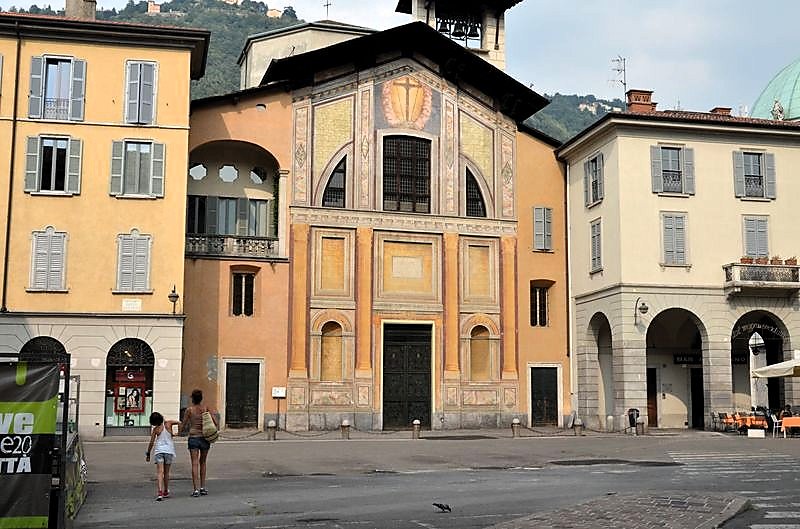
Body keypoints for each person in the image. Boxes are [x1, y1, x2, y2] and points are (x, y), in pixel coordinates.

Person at [180, 389, 218, 497]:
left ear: (192, 398)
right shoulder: (206, 408)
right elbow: (215, 421)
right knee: (203, 462)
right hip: (205, 438)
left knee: (194, 463)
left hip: (193, 437)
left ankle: (195, 489)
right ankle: (202, 487)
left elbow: (184, 424)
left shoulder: (189, 410)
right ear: (201, 398)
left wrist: (177, 432)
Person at [145, 412, 178, 501]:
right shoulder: (168, 423)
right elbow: (180, 422)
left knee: (160, 472)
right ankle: (166, 491)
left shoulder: (156, 430)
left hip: (159, 451)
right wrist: (177, 433)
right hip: (169, 451)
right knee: (166, 473)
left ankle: (160, 492)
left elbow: (151, 442)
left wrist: (148, 453)